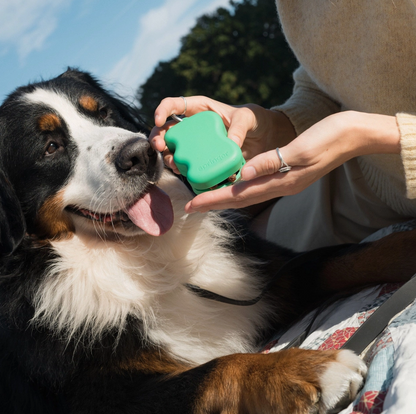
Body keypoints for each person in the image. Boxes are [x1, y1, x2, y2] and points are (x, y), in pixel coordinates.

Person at [150, 0, 416, 252]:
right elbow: (325, 81)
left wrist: (363, 135)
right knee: (246, 254)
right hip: (370, 180)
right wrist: (274, 126)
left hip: (375, 155)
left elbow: (356, 132)